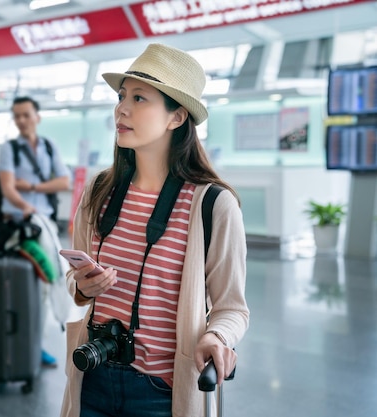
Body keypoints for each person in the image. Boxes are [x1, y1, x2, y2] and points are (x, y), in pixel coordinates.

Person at [59, 43, 250, 417]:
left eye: (140, 98)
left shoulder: (212, 204)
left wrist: (217, 336)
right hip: (91, 378)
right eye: (122, 96)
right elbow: (73, 279)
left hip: (160, 392)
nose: (122, 109)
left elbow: (232, 309)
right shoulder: (99, 191)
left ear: (176, 118)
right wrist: (82, 285)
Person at [0, 96, 71, 367]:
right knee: (22, 285)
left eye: (26, 115)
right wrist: (28, 206)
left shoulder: (49, 147)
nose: (21, 121)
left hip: (44, 224)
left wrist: (32, 188)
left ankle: (34, 344)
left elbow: (64, 181)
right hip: (19, 226)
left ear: (37, 117)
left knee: (44, 283)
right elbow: (8, 188)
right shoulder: (9, 149)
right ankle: (17, 342)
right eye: (17, 116)